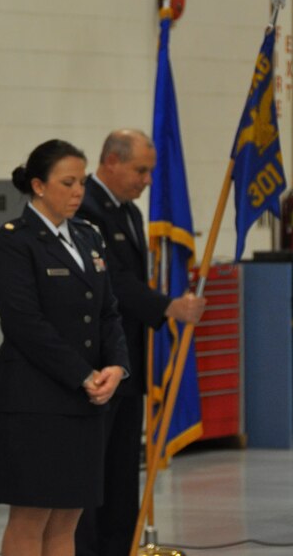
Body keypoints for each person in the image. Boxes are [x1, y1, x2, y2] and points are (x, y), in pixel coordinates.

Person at [0, 139, 130, 556]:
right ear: (38, 185)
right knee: (31, 517)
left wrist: (116, 366)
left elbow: (108, 311)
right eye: (67, 182)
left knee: (69, 516)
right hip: (34, 400)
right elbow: (25, 324)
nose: (77, 192)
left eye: (82, 182)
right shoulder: (14, 241)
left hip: (83, 400)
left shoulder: (88, 236)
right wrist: (83, 374)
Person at [74, 129, 206, 556]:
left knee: (122, 469)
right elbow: (111, 281)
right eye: (141, 170)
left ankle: (122, 546)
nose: (148, 179)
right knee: (94, 471)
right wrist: (168, 307)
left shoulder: (129, 212)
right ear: (111, 161)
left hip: (130, 359)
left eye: (150, 171)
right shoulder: (86, 208)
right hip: (97, 362)